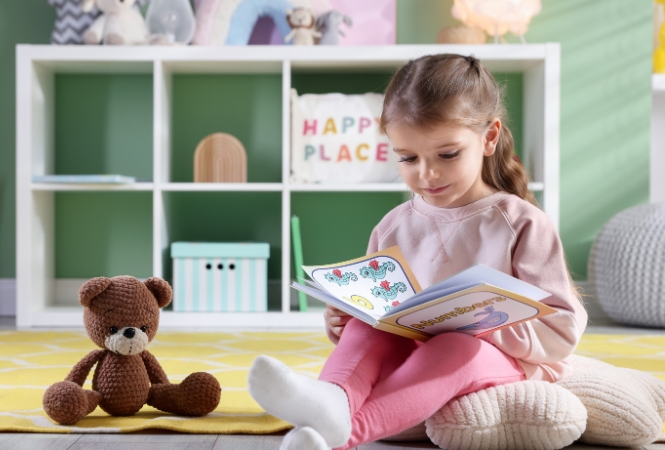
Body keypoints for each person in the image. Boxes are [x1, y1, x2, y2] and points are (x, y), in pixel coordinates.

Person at [247, 53, 588, 450]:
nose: (426, 173)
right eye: (408, 158)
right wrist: (343, 320)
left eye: (447, 155)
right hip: (415, 357)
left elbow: (562, 329)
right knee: (364, 326)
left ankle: (344, 434)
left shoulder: (521, 222)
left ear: (489, 137)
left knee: (455, 345)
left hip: (501, 362)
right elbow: (379, 317)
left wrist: (485, 325)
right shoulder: (393, 225)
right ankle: (334, 397)